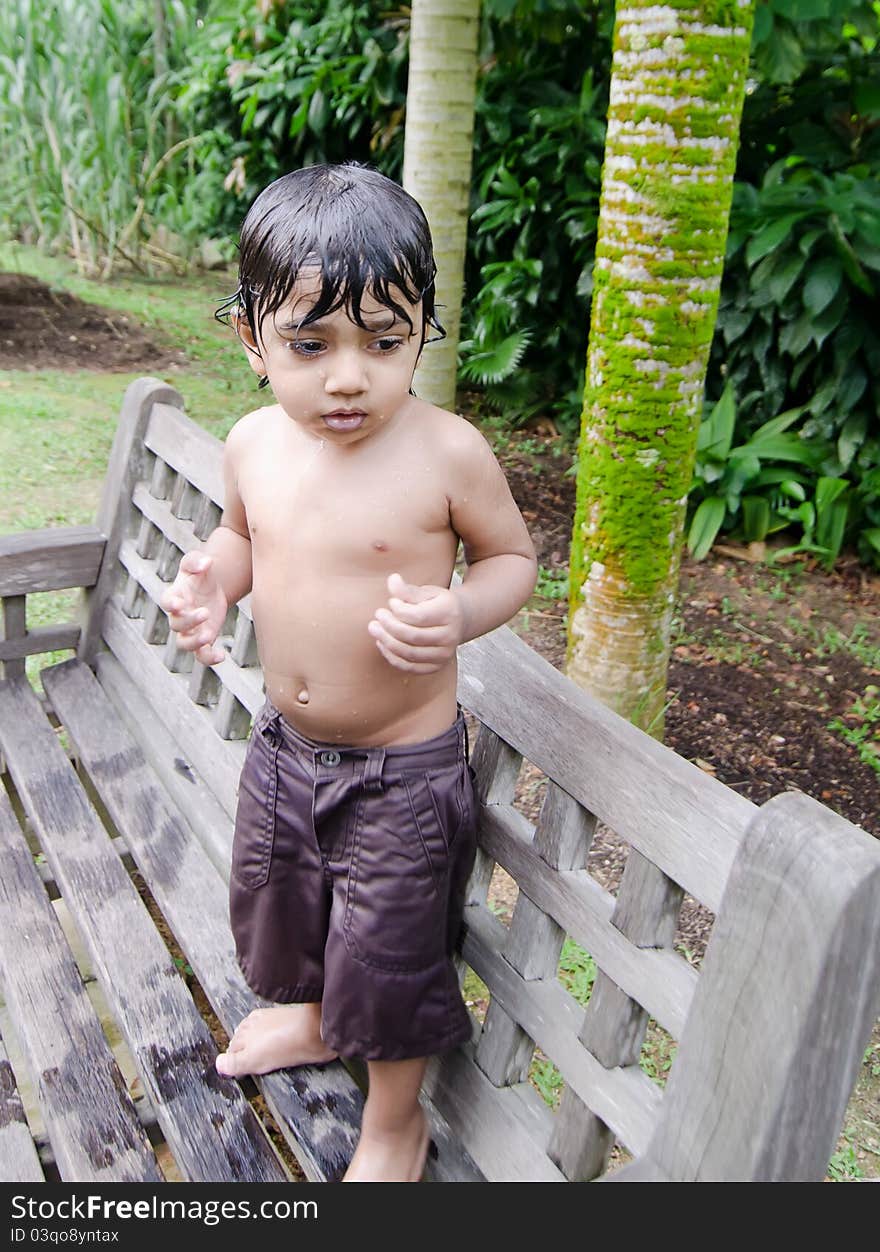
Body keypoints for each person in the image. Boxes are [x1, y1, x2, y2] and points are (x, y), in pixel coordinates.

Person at [160, 163, 537, 1182]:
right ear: (252, 338)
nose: (347, 376)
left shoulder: (447, 453)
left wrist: (458, 609)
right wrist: (211, 583)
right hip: (285, 752)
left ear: (424, 332)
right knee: (283, 902)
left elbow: (513, 561)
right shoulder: (251, 445)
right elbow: (243, 539)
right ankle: (315, 1016)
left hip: (402, 774)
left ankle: (394, 1120)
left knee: (391, 948)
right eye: (310, 343)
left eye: (385, 341)